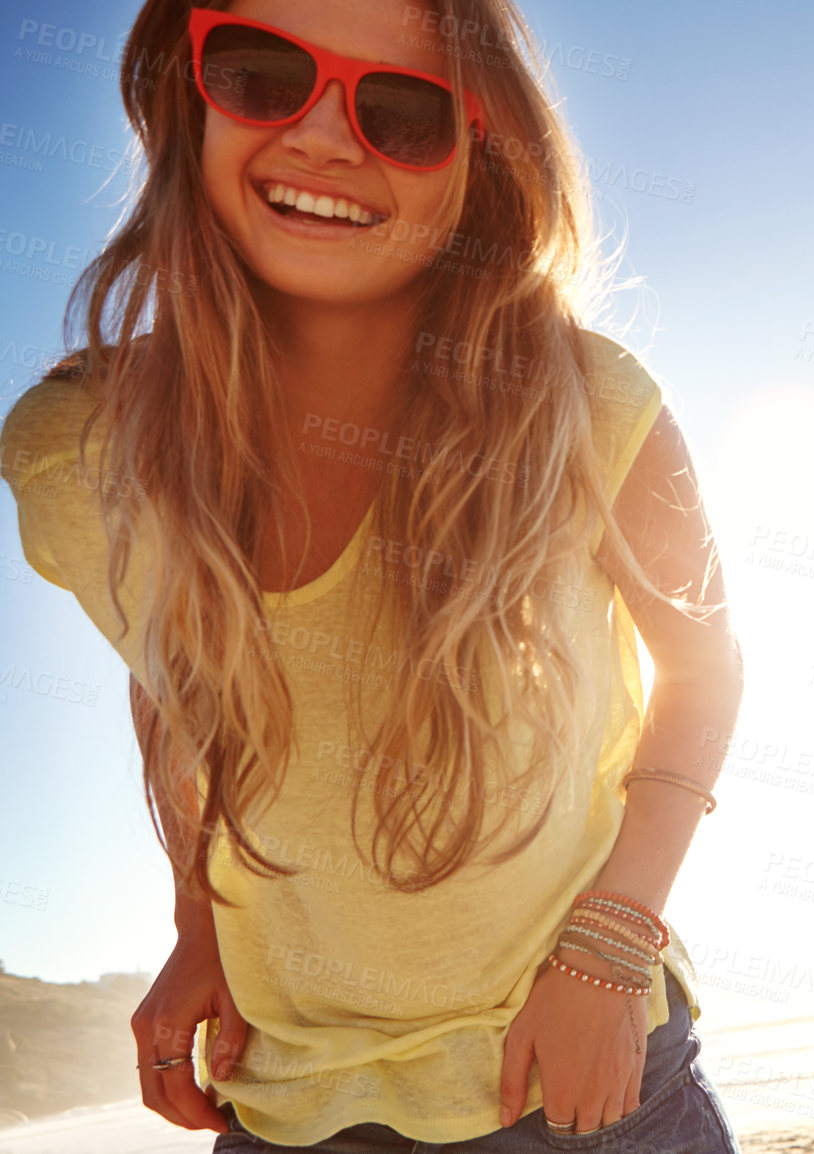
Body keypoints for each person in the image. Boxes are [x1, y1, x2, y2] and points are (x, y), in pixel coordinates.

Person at [0, 0, 746, 1149]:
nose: (325, 138)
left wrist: (607, 950)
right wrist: (200, 922)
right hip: (286, 1097)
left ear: (479, 151)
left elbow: (704, 666)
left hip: (583, 1081)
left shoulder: (587, 406)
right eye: (261, 73)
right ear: (186, 91)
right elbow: (174, 669)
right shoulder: (81, 449)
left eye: (402, 111)